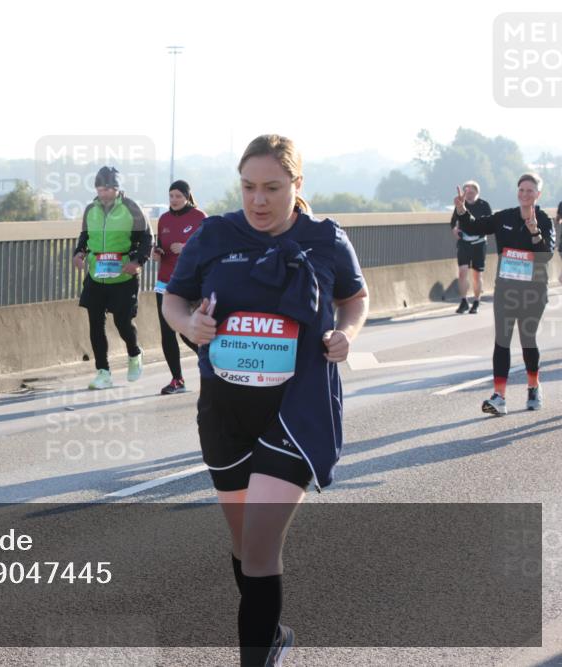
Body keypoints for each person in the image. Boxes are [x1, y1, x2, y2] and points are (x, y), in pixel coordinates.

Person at [162, 135, 369, 666]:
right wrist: (192, 324)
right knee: (243, 547)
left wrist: (348, 332)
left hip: (297, 411)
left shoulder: (326, 239)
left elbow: (355, 297)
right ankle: (271, 634)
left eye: (272, 188)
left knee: (258, 547)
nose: (258, 200)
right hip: (226, 412)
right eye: (249, 187)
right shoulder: (215, 234)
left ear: (296, 186)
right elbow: (175, 299)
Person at [452, 173, 555, 415]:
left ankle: (533, 387)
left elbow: (546, 254)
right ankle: (499, 396)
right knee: (502, 341)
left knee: (528, 340)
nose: (525, 194)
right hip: (506, 291)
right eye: (521, 190)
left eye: (530, 191)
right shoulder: (504, 217)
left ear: (538, 194)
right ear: (517, 192)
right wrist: (461, 210)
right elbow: (473, 226)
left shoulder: (544, 220)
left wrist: (534, 232)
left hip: (533, 292)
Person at [72, 166, 152, 390]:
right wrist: (79, 253)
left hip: (123, 277)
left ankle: (134, 354)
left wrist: (137, 262)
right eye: (100, 188)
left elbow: (147, 239)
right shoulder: (91, 210)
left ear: (117, 188)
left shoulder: (131, 209)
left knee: (122, 322)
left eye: (108, 188)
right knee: (95, 323)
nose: (103, 193)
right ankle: (103, 372)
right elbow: (85, 236)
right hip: (97, 275)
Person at [153, 180, 204, 394]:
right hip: (165, 282)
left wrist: (186, 248)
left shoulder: (199, 217)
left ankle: (210, 360)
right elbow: (160, 246)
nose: (174, 200)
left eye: (178, 196)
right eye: (171, 196)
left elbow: (208, 248)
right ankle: (177, 379)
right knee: (167, 332)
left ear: (187, 196)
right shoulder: (163, 219)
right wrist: (157, 253)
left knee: (186, 331)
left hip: (189, 282)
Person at [450, 180, 492, 314]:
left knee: (476, 274)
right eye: (467, 192)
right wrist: (455, 230)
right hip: (464, 242)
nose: (469, 195)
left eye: (472, 192)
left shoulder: (484, 205)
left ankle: (476, 301)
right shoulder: (461, 205)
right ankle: (463, 301)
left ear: (477, 193)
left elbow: (490, 222)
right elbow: (453, 222)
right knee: (462, 272)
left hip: (479, 243)